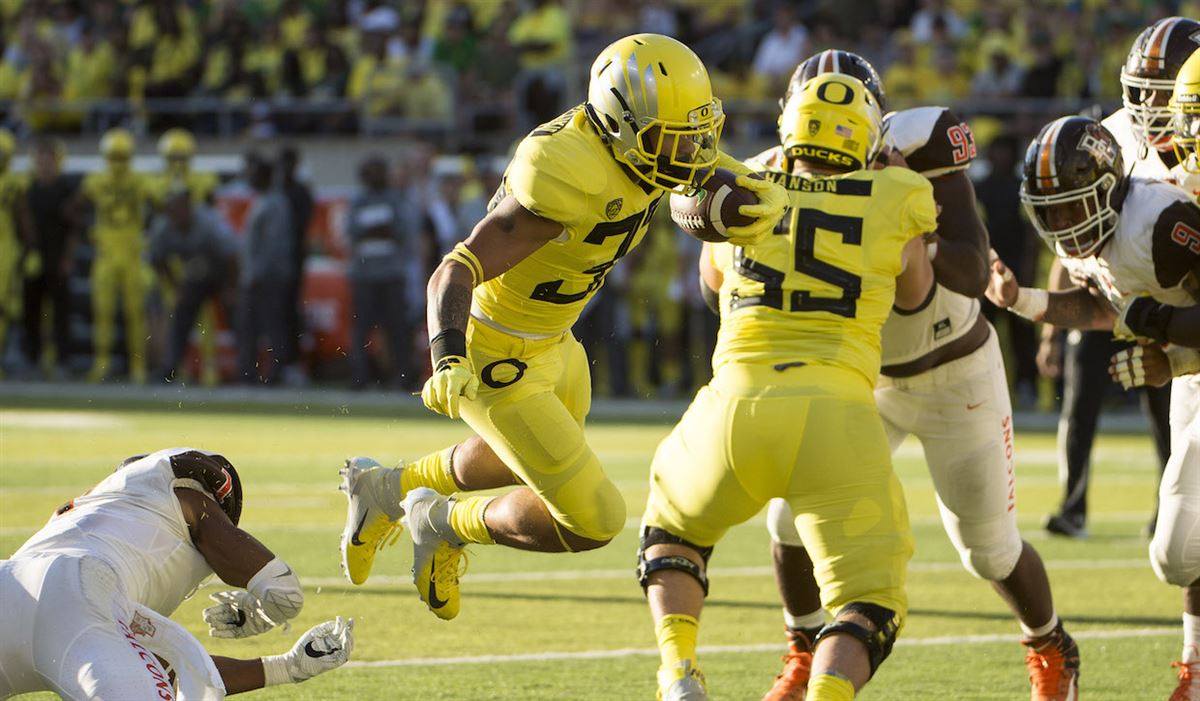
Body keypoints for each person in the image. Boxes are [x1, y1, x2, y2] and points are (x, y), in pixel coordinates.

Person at [336, 34, 785, 621]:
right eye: (676, 137)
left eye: (699, 131)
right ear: (623, 126)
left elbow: (704, 170)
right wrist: (447, 355)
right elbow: (456, 268)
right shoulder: (565, 170)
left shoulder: (643, 145)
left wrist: (759, 191)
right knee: (594, 520)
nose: (694, 150)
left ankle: (384, 490)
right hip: (495, 348)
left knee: (515, 457)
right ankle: (442, 521)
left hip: (555, 337)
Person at [760, 51, 1080, 701]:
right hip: (863, 382)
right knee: (787, 518)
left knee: (988, 551)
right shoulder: (775, 173)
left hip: (954, 371)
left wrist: (907, 216)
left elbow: (973, 270)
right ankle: (802, 648)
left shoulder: (923, 143)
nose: (829, 134)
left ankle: (1052, 644)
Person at [642, 70, 934, 701]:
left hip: (735, 405)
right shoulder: (901, 192)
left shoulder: (739, 187)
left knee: (672, 536)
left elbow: (710, 283)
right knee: (867, 603)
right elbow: (916, 295)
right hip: (840, 414)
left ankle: (679, 670)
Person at [987, 115, 1200, 700]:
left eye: (1071, 207)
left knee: (1179, 551)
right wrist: (1021, 300)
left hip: (1193, 371)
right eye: (1049, 211)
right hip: (1193, 380)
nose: (1061, 223)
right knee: (1183, 555)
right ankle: (1196, 671)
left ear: (1107, 188)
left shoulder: (1160, 222)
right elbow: (1098, 305)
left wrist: (1170, 353)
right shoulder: (1097, 234)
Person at [0, 448, 354, 698]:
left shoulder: (83, 513)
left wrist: (285, 668)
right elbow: (284, 592)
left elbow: (168, 669)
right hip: (77, 588)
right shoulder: (181, 495)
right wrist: (267, 609)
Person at [1041, 18, 1199, 540]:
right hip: (1131, 301)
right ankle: (1076, 503)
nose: (1147, 110)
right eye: (1139, 93)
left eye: (1161, 95)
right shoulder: (1115, 137)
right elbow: (1072, 231)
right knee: (1178, 548)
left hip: (1172, 311)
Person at [80, 127, 156, 385]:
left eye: (123, 157)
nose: (118, 163)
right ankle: (102, 362)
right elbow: (72, 208)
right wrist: (90, 231)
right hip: (106, 253)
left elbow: (161, 203)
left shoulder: (140, 180)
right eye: (114, 156)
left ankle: (138, 366)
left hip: (133, 253)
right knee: (103, 313)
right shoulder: (95, 181)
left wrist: (148, 234)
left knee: (136, 314)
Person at [153, 128, 223, 386]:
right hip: (172, 255)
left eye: (182, 157)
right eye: (173, 157)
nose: (178, 163)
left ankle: (210, 366)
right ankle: (176, 367)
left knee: (205, 315)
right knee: (173, 314)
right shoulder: (156, 184)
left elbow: (214, 219)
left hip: (200, 254)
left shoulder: (203, 180)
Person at [148, 188, 237, 384]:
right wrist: (175, 286)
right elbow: (157, 259)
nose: (176, 215)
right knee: (181, 314)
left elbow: (232, 255)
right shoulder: (163, 227)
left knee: (236, 316)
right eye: (172, 210)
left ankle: (248, 369)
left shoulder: (209, 221)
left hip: (222, 271)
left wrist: (231, 287)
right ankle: (169, 368)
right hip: (195, 274)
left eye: (179, 209)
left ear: (189, 207)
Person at [346, 156, 418, 390]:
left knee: (397, 327)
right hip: (364, 275)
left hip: (391, 274)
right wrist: (379, 231)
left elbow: (401, 231)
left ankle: (403, 376)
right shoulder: (357, 201)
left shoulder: (395, 200)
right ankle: (360, 377)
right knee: (361, 329)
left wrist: (372, 231)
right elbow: (351, 232)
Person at [237, 155, 296, 385]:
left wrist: (257, 274)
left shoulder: (274, 203)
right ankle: (249, 373)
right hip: (259, 275)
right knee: (251, 327)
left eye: (254, 173)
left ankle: (274, 374)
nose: (250, 178)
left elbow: (273, 244)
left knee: (270, 326)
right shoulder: (263, 200)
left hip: (267, 277)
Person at [22, 137, 76, 378]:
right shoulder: (29, 189)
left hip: (57, 256)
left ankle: (61, 361)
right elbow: (23, 222)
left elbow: (74, 227)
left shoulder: (64, 189)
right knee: (31, 311)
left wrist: (67, 257)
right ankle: (32, 359)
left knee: (60, 312)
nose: (45, 165)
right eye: (41, 161)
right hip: (35, 256)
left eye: (49, 161)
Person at [0, 128, 30, 373]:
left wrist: (31, 250)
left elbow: (23, 218)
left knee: (7, 305)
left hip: (5, 247)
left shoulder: (14, 183)